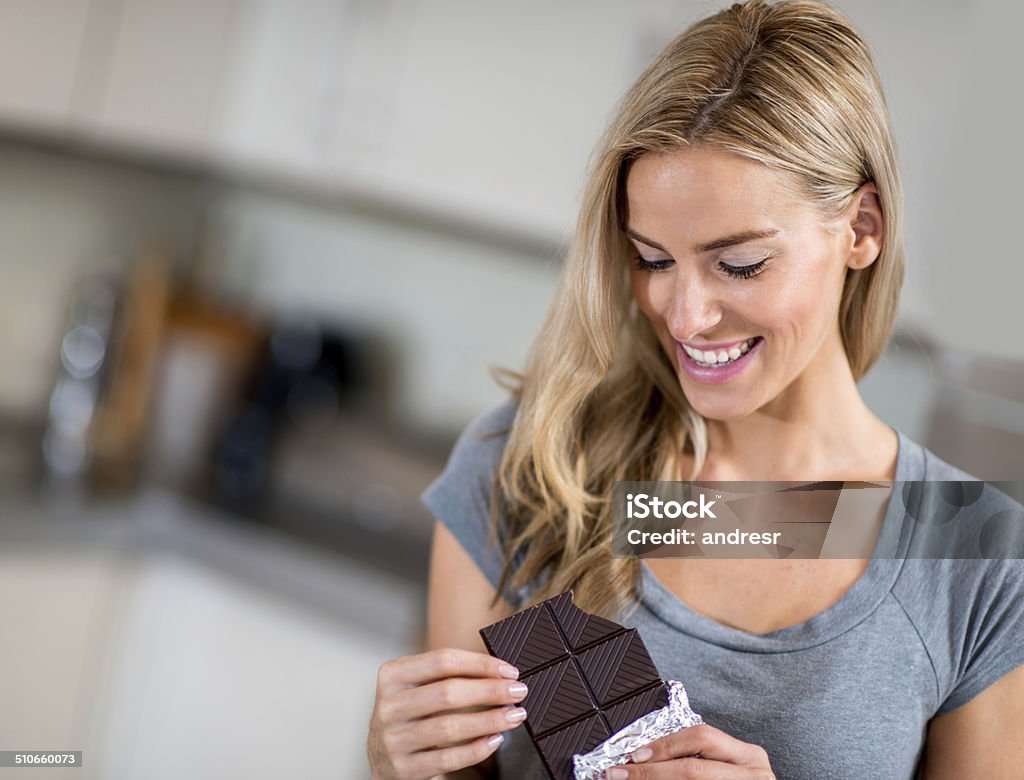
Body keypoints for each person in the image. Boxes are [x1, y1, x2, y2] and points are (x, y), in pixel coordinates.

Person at [366, 1, 1024, 777]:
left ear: (862, 229)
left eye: (739, 263)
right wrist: (398, 761)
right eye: (652, 258)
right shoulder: (532, 469)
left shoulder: (978, 556)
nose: (685, 315)